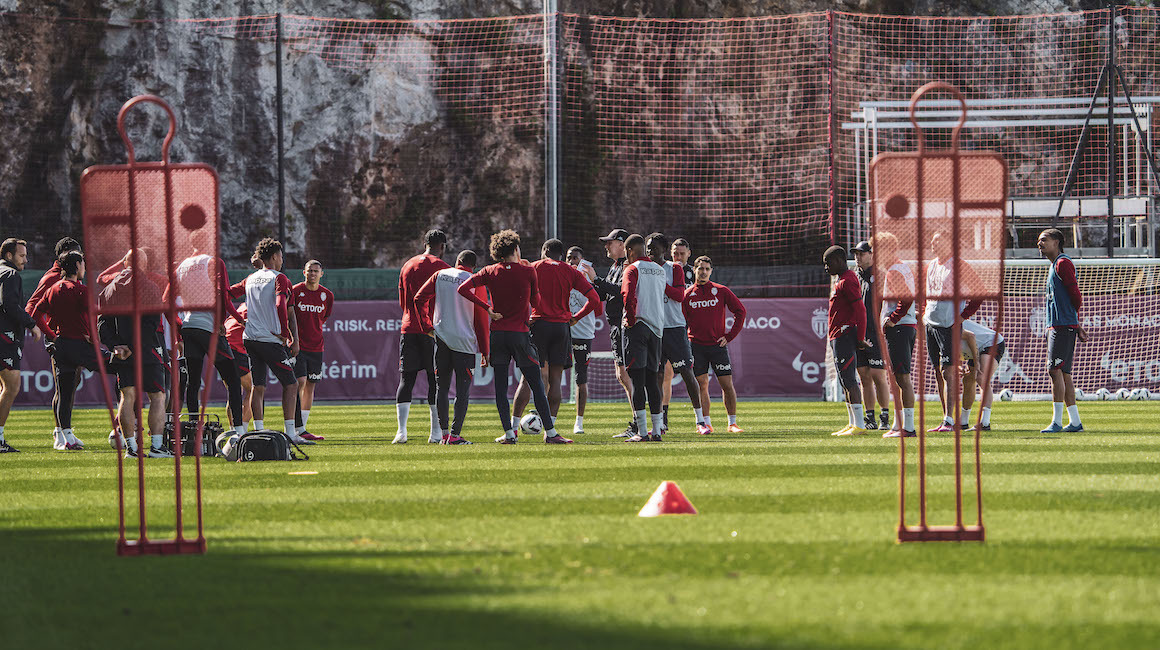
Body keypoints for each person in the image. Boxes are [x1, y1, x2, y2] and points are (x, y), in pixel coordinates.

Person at [457, 229, 572, 444]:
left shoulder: (489, 271)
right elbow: (537, 303)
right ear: (516, 249)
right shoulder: (528, 272)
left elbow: (463, 289)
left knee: (501, 387)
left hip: (498, 335)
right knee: (537, 384)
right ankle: (551, 433)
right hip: (520, 335)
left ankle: (509, 434)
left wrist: (487, 307)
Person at [30, 252, 131, 451]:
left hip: (61, 346)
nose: (84, 267)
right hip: (80, 346)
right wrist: (94, 339)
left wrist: (52, 335)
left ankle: (66, 437)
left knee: (64, 392)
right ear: (77, 265)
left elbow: (36, 315)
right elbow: (94, 319)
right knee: (123, 367)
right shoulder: (81, 290)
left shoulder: (52, 289)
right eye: (83, 263)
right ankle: (122, 424)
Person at [511, 239, 602, 431]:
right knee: (556, 380)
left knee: (528, 378)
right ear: (562, 255)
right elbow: (594, 299)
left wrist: (525, 317)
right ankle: (550, 431)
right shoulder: (572, 272)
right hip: (561, 328)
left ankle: (512, 430)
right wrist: (576, 317)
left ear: (544, 251)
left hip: (539, 325)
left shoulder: (534, 268)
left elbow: (519, 293)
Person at [172, 230, 247, 442]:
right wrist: (222, 322)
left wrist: (179, 330)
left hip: (189, 328)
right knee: (233, 380)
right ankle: (239, 431)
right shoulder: (213, 262)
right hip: (208, 328)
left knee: (193, 382)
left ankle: (195, 430)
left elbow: (166, 300)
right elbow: (221, 295)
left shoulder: (181, 267)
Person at [234, 238, 310, 446]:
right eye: (281, 256)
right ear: (275, 256)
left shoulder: (250, 278)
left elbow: (226, 294)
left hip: (249, 338)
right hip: (270, 339)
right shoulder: (280, 278)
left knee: (258, 386)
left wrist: (237, 317)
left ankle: (258, 431)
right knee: (291, 384)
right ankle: (291, 433)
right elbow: (280, 304)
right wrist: (285, 333)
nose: (282, 260)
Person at [96, 260, 171, 459]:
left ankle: (131, 449)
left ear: (125, 263)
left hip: (121, 353)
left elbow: (102, 323)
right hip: (146, 350)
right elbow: (152, 323)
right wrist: (134, 346)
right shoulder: (149, 286)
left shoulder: (109, 289)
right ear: (144, 264)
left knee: (126, 397)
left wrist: (115, 346)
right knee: (157, 397)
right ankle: (156, 447)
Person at [414, 249, 490, 445]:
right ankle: (455, 435)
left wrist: (426, 326)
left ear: (457, 261)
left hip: (442, 339)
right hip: (464, 342)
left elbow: (418, 299)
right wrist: (484, 350)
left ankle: (444, 434)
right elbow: (481, 320)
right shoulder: (474, 281)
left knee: (442, 387)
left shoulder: (440, 275)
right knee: (462, 391)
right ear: (474, 265)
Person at [923, 231, 983, 432]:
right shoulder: (931, 265)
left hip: (949, 325)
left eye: (937, 240)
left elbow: (979, 291)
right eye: (932, 241)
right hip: (930, 324)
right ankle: (945, 419)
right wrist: (923, 310)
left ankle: (950, 420)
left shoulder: (959, 265)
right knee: (939, 372)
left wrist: (963, 316)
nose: (933, 244)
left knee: (949, 371)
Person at [648, 233, 708, 435]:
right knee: (657, 375)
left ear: (663, 251)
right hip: (654, 328)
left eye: (653, 248)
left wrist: (659, 284)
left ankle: (700, 420)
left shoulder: (674, 269)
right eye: (648, 248)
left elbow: (678, 295)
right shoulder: (645, 270)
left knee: (686, 372)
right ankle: (659, 422)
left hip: (674, 327)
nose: (650, 252)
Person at [25, 236, 81, 448]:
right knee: (64, 387)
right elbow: (32, 306)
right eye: (78, 253)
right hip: (61, 339)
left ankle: (65, 432)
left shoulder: (70, 275)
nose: (81, 257)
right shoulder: (53, 277)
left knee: (70, 385)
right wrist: (50, 334)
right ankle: (60, 433)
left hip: (72, 337)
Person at [394, 229, 450, 444]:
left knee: (406, 380)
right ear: (442, 246)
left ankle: (401, 432)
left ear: (424, 243)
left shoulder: (407, 264)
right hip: (433, 331)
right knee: (434, 381)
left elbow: (402, 300)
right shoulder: (443, 267)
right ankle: (435, 433)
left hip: (408, 328)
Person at [682, 255, 747, 434]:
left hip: (717, 346)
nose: (703, 272)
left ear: (711, 271)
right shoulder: (687, 295)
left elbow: (740, 311)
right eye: (700, 268)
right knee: (702, 385)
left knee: (726, 384)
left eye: (707, 269)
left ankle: (732, 423)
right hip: (696, 346)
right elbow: (681, 322)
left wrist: (730, 336)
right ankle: (706, 423)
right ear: (694, 270)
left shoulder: (721, 291)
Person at [1037, 228, 1086, 433]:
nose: (1039, 244)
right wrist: (1075, 323)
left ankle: (1057, 422)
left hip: (1062, 325)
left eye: (1044, 240)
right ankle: (1074, 422)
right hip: (1060, 324)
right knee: (1063, 372)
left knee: (1054, 370)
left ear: (1057, 241)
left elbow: (1075, 295)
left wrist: (1071, 321)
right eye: (1038, 241)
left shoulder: (1062, 263)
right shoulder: (1054, 265)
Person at [590, 228, 636, 438]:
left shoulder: (627, 265)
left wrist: (596, 279)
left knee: (627, 375)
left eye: (610, 242)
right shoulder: (616, 266)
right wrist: (588, 281)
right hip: (616, 325)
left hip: (624, 325)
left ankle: (640, 422)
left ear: (621, 244)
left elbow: (620, 291)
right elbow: (602, 294)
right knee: (622, 375)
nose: (606, 246)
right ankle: (639, 420)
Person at [0, 238, 44, 453]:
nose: (26, 260)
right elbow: (9, 305)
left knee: (4, 388)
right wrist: (32, 324)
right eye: (21, 255)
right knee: (11, 386)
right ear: (9, 256)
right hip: (4, 337)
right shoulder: (10, 274)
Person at [873, 232, 918, 439]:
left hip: (900, 329)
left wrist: (893, 318)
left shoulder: (893, 271)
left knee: (903, 379)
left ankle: (907, 427)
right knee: (900, 379)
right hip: (905, 328)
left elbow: (907, 298)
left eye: (877, 251)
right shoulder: (901, 266)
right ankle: (900, 424)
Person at [822, 246, 871, 436]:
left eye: (828, 263)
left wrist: (860, 338)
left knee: (850, 380)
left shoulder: (848, 280)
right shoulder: (840, 280)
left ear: (839, 260)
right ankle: (852, 423)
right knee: (844, 381)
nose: (826, 267)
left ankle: (860, 424)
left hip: (845, 335)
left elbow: (861, 310)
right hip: (837, 335)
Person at [292, 259, 334, 441]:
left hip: (317, 347)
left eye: (316, 271)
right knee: (299, 382)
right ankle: (294, 425)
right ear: (304, 272)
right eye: (310, 271)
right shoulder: (295, 291)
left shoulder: (327, 295)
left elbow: (324, 318)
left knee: (310, 385)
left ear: (321, 274)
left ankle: (303, 429)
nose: (313, 274)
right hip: (298, 346)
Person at [851, 241, 891, 430]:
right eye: (856, 254)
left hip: (875, 334)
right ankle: (870, 418)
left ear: (871, 254)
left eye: (861, 254)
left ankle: (885, 416)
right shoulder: (854, 277)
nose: (858, 257)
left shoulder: (881, 276)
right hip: (858, 333)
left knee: (878, 375)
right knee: (864, 376)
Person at [661, 237, 698, 428]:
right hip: (669, 326)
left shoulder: (695, 273)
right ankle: (663, 419)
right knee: (665, 375)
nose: (678, 257)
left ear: (689, 254)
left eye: (682, 253)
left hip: (687, 330)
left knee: (696, 376)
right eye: (675, 253)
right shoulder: (664, 269)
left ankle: (702, 419)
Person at [566, 246, 596, 435]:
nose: (572, 261)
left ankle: (579, 421)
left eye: (575, 258)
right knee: (549, 373)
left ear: (582, 259)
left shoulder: (587, 277)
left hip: (583, 332)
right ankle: (545, 416)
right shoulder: (562, 275)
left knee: (580, 378)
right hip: (562, 330)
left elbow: (598, 308)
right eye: (569, 258)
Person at [959, 319, 1006, 432]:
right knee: (968, 380)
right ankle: (963, 422)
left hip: (991, 342)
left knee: (981, 377)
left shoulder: (945, 324)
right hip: (976, 347)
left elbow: (971, 337)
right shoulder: (936, 331)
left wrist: (977, 363)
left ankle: (985, 423)